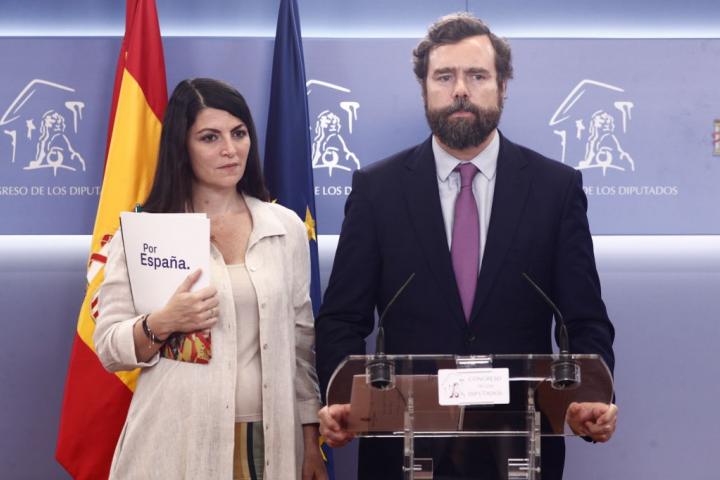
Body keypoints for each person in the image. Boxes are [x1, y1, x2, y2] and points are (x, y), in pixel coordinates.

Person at [315, 14, 617, 480]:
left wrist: (589, 397)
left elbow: (583, 320)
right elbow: (342, 319)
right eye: (444, 76)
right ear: (424, 89)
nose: (460, 90)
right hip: (403, 449)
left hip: (519, 447)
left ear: (502, 86)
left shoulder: (555, 189)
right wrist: (342, 398)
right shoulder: (377, 189)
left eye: (477, 76)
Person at [94, 78, 327, 480]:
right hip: (175, 440)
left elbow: (301, 346)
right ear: (181, 147)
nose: (230, 149)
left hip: (272, 441)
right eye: (209, 137)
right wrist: (162, 322)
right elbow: (109, 349)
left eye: (239, 133)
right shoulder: (146, 232)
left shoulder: (285, 226)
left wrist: (310, 442)